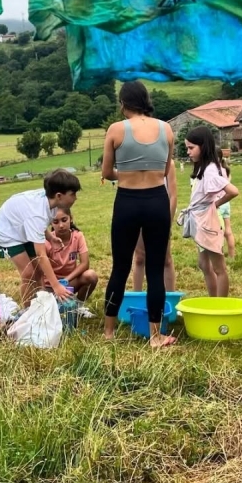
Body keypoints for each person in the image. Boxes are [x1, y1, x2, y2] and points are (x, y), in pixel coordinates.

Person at [102, 81, 176, 347]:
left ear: (123, 104)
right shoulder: (166, 129)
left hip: (127, 202)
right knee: (155, 270)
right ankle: (156, 335)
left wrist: (127, 172)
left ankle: (108, 333)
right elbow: (166, 170)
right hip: (157, 201)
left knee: (120, 268)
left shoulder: (116, 130)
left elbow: (106, 173)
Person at [0, 168, 81, 305]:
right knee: (28, 274)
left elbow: (38, 224)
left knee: (39, 272)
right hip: (8, 233)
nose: (75, 198)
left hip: (23, 227)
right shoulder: (37, 213)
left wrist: (50, 238)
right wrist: (56, 286)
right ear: (59, 196)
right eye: (73, 194)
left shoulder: (52, 204)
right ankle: (26, 312)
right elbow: (41, 254)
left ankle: (42, 307)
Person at [184, 127, 238, 297]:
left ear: (204, 146)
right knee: (203, 263)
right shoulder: (204, 168)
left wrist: (214, 205)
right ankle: (213, 300)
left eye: (191, 148)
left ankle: (220, 305)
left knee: (218, 267)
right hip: (202, 221)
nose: (188, 152)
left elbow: (233, 191)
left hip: (209, 223)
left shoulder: (210, 171)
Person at [132, 159, 177, 292]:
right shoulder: (135, 162)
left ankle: (169, 298)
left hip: (160, 215)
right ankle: (137, 298)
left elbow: (173, 195)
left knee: (165, 259)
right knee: (139, 257)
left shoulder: (168, 164)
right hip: (138, 214)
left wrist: (167, 221)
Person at [45, 207, 99, 306]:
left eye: (64, 220)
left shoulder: (78, 236)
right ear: (50, 223)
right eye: (55, 222)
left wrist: (66, 280)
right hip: (50, 286)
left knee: (91, 275)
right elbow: (40, 269)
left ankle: (77, 307)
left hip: (69, 282)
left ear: (71, 218)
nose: (61, 225)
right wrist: (56, 285)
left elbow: (85, 263)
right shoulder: (47, 242)